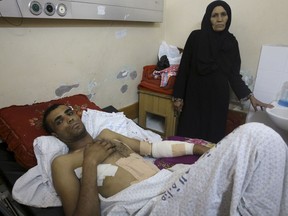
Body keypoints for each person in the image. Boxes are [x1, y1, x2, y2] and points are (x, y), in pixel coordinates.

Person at [42, 103, 288, 216]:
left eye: (69, 112)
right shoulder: (63, 164)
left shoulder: (106, 135)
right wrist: (90, 162)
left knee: (266, 142)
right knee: (256, 133)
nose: (69, 119)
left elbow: (153, 148)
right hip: (153, 206)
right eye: (59, 121)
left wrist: (197, 148)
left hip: (174, 183)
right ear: (55, 134)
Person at [172, 0, 273, 143]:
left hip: (218, 99)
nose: (219, 19)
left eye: (223, 14)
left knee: (211, 140)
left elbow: (233, 75)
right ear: (208, 18)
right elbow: (184, 68)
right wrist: (178, 97)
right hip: (194, 96)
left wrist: (250, 96)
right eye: (214, 15)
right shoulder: (196, 37)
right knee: (188, 136)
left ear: (228, 17)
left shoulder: (231, 42)